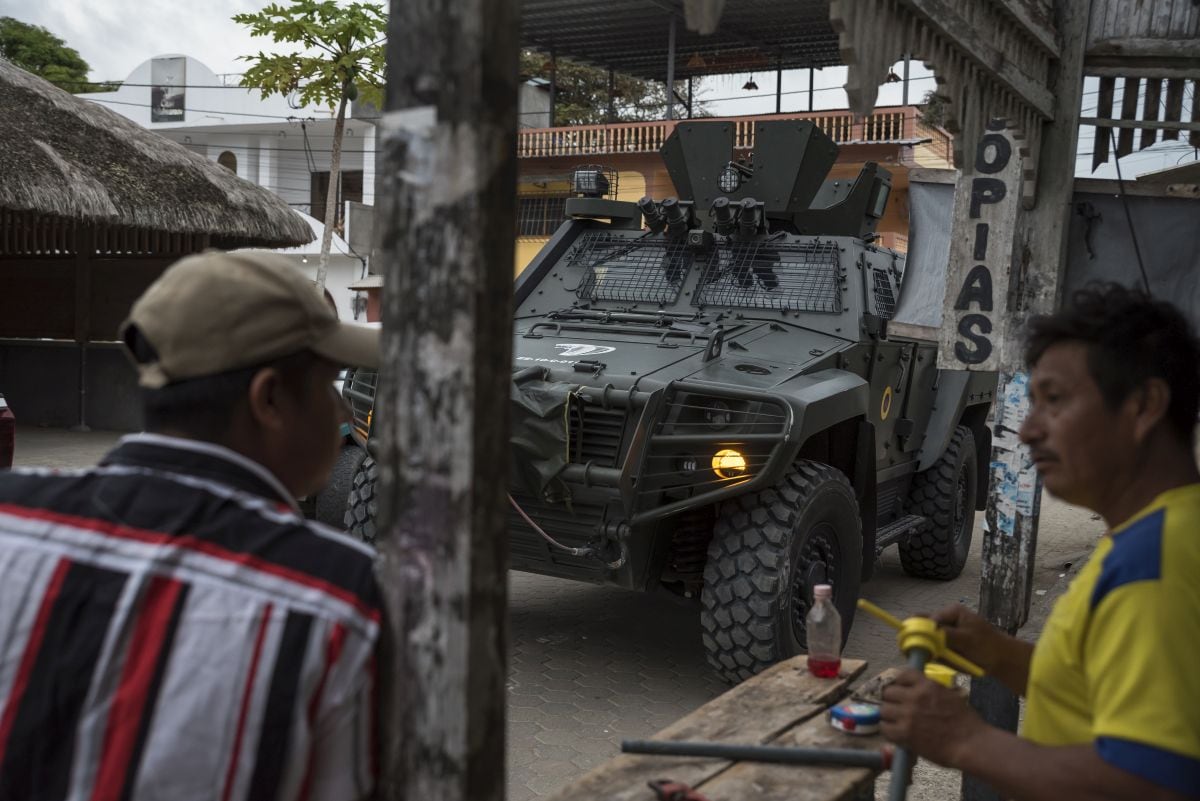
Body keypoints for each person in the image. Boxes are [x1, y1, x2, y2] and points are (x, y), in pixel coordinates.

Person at [0, 251, 382, 801]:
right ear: (270, 399)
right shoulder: (343, 600)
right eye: (328, 387)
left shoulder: (12, 518)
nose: (343, 413)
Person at [881, 283, 1200, 800]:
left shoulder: (1156, 564)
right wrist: (999, 654)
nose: (1028, 430)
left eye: (1054, 400)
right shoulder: (1154, 538)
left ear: (1143, 407)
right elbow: (1096, 694)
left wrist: (964, 741)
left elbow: (1151, 783)